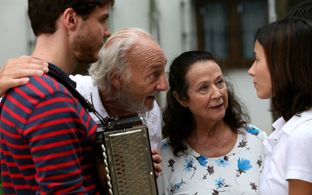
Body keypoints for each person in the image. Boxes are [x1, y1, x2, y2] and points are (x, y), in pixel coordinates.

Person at [0, 0, 114, 194]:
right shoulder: (50, 99)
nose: (107, 31)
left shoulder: (30, 88)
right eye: (102, 19)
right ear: (71, 19)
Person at [157, 50, 266, 195]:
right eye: (204, 88)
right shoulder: (165, 156)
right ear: (182, 98)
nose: (217, 94)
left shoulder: (257, 141)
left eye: (219, 82)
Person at [248, 17, 312, 195]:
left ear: (282, 64)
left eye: (257, 59)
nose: (251, 70)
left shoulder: (302, 134)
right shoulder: (290, 128)